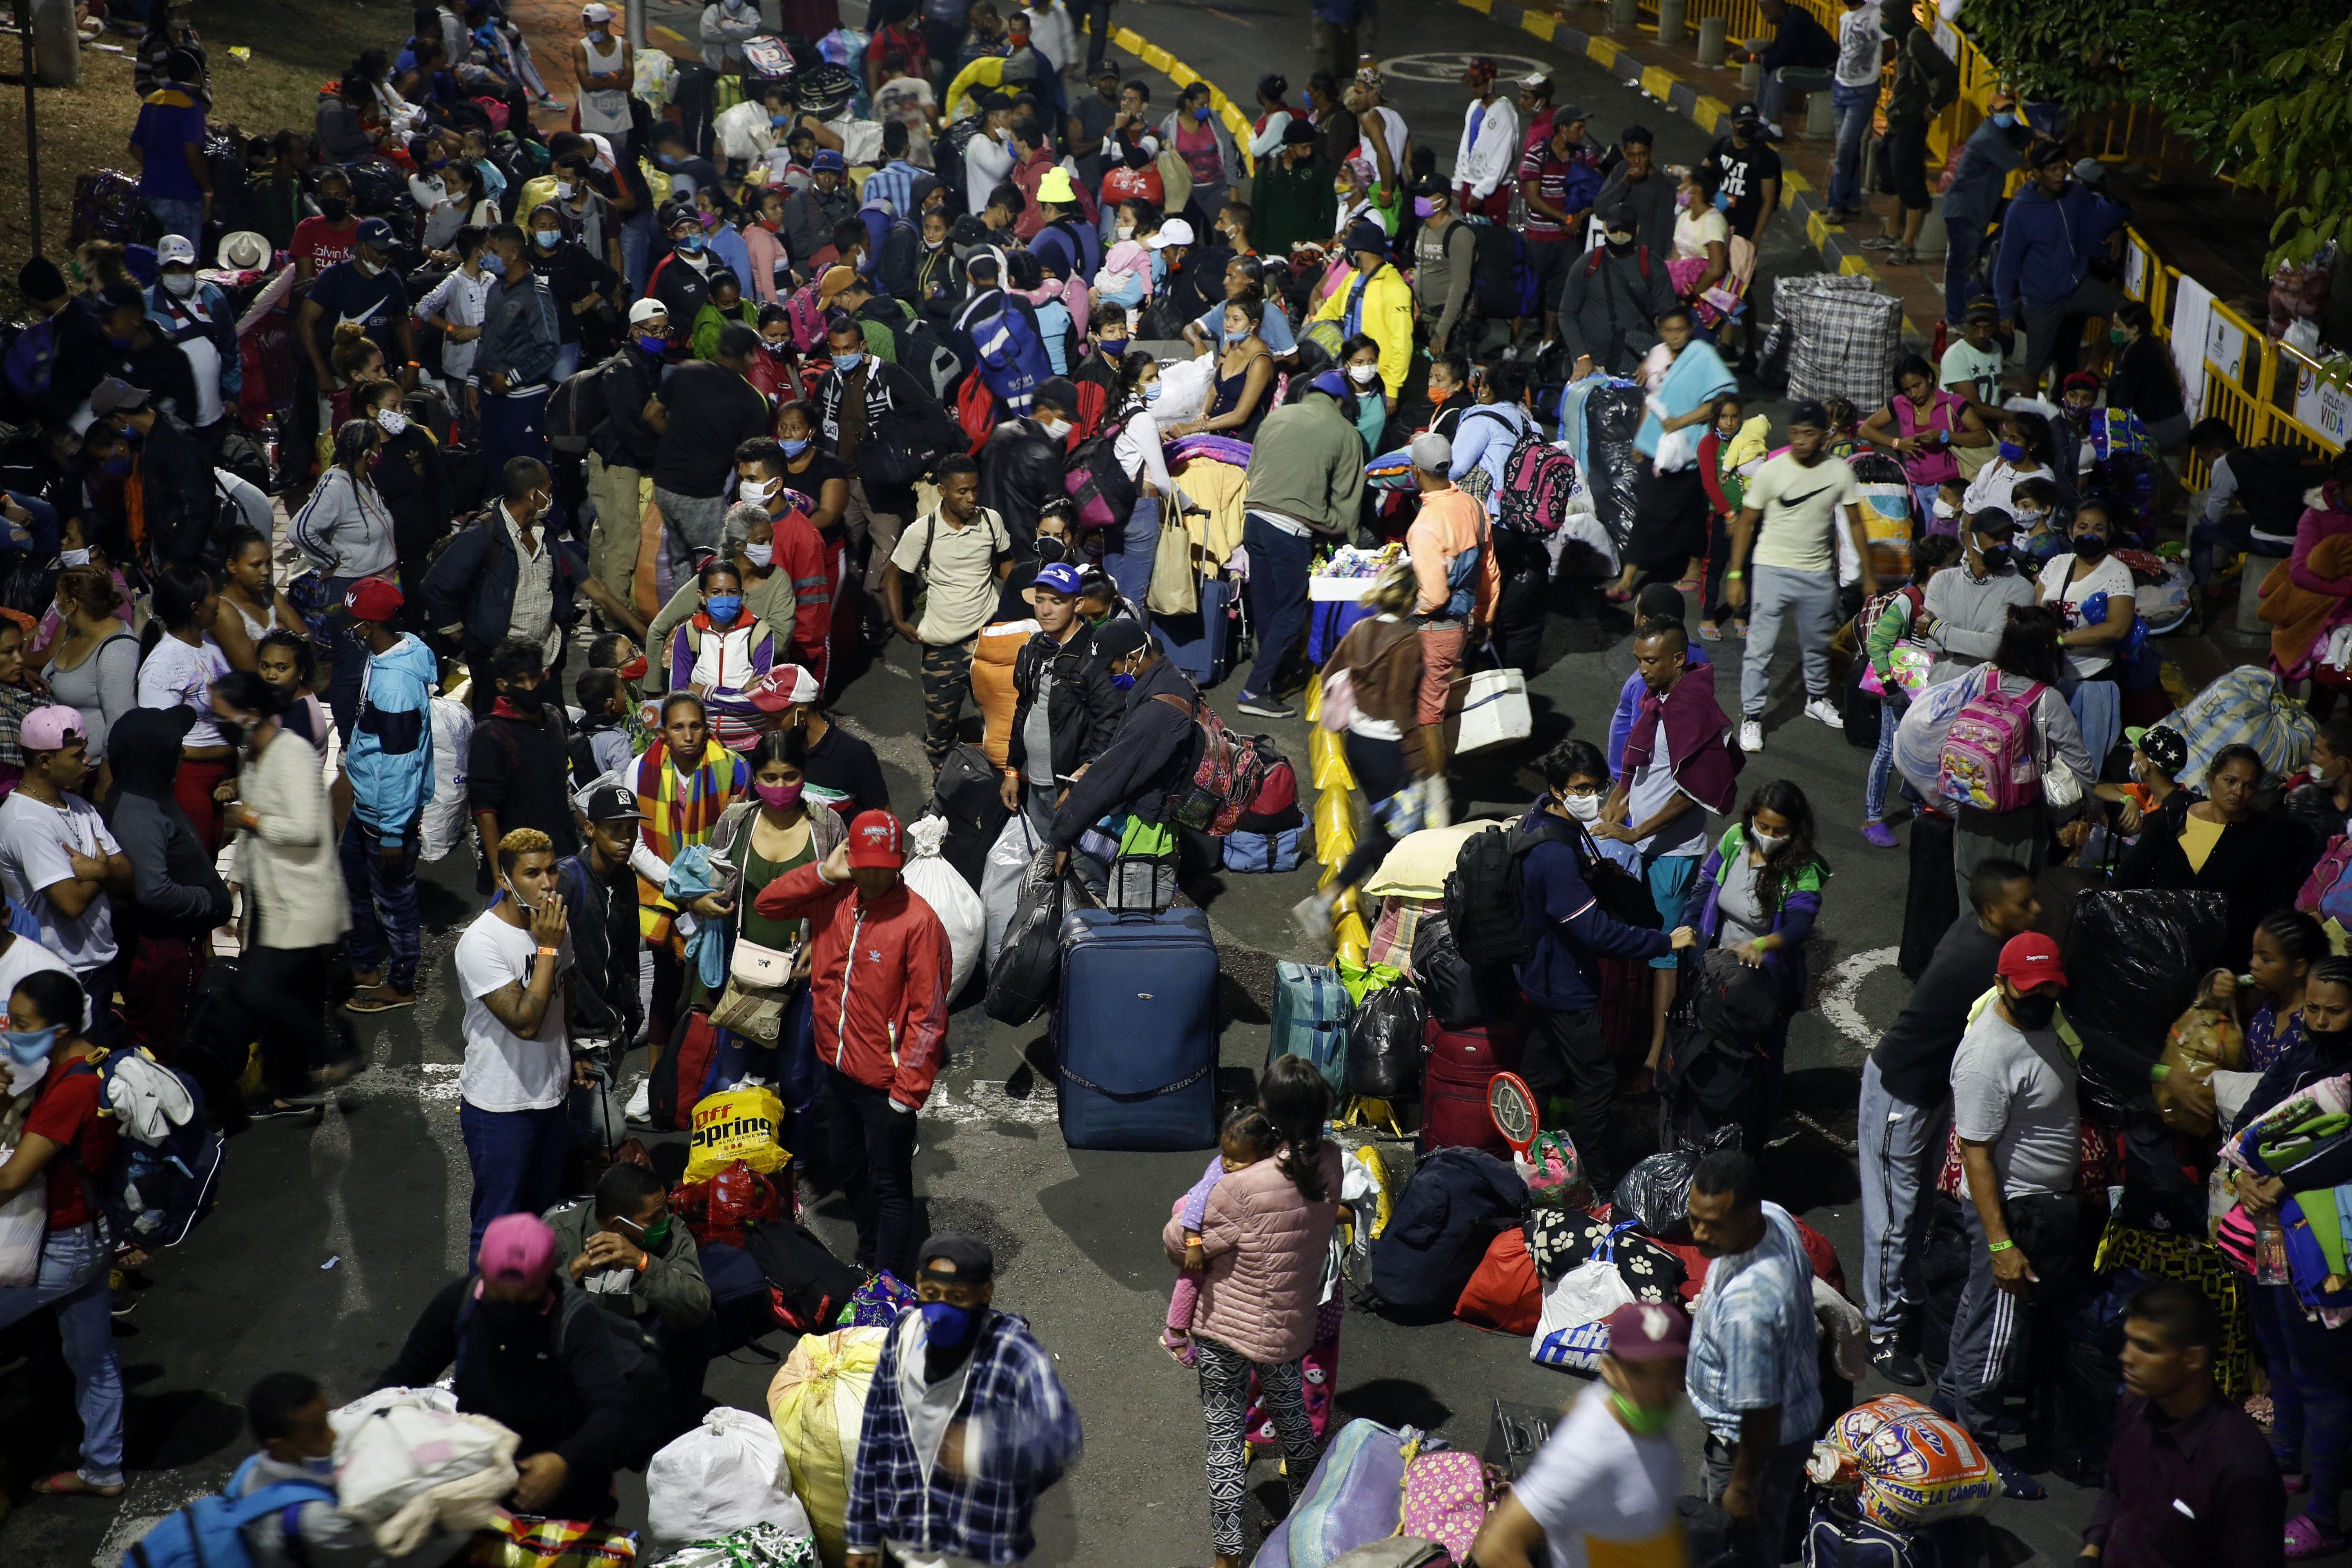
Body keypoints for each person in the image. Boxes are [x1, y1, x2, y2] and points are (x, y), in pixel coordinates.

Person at [1858, 858, 2040, 1386]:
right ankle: (1882, 1333)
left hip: (1929, 1094)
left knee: (1912, 1212)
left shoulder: (1981, 934)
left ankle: (1905, 1302)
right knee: (1893, 1219)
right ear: (1992, 909)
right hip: (1902, 1096)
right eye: (2023, 903)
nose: (2035, 909)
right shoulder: (1980, 962)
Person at [754, 814, 949, 1279]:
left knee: (891, 1185)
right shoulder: (834, 897)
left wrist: (906, 1096)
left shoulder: (920, 922)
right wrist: (823, 872)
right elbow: (767, 904)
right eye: (864, 865)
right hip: (834, 1070)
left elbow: (930, 1016)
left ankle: (887, 1280)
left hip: (885, 1087)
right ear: (850, 861)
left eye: (885, 865)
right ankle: (868, 1256)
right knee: (851, 1170)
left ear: (900, 862)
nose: (874, 875)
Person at [1167, 1054, 1342, 1568]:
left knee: (1224, 1436)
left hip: (1227, 1330)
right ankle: (1303, 1532)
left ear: (1268, 1115)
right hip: (1289, 1329)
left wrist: (1184, 1210)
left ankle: (1227, 1555)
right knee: (1296, 1428)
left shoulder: (1240, 1186)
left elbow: (1180, 1244)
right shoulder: (1329, 1159)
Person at [376, 1212, 641, 1523]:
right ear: (483, 1273)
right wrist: (358, 1427)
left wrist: (562, 1462)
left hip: (569, 1497)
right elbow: (405, 1376)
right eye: (497, 1295)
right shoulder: (460, 1302)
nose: (508, 1309)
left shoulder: (574, 1321)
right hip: (480, 1486)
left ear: (546, 1280)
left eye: (522, 1298)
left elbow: (610, 1411)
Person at [1515, 738, 1695, 1188]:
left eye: (1596, 786)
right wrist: (1664, 940)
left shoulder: (1538, 817)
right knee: (1596, 1080)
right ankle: (1593, 1177)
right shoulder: (1554, 854)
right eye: (1579, 789)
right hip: (1564, 982)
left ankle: (1527, 1162)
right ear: (1557, 790)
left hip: (1537, 972)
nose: (1590, 797)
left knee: (1538, 1073)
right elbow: (1595, 932)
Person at [844, 1232, 1083, 1568]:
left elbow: (1062, 1434)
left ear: (985, 1294)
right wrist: (862, 1535)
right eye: (931, 1294)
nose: (940, 1312)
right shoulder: (903, 1331)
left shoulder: (1012, 1353)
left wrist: (981, 1447)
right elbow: (877, 1430)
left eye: (957, 1297)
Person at [1938, 930, 2079, 1498]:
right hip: (2011, 1214)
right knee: (1993, 1336)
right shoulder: (1985, 1058)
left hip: (2040, 1209)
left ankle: (1948, 1408)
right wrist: (2001, 1244)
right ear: (2001, 984)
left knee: (1981, 1316)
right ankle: (1982, 1447)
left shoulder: (2048, 1023)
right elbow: (1975, 1152)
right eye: (2029, 989)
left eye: (2049, 988)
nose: (2041, 999)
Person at [2232, 955, 2352, 1559]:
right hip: (2271, 1233)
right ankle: (2284, 1458)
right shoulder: (2302, 1057)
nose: (2322, 1021)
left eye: (2336, 1011)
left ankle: (2326, 1516)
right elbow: (2256, 1111)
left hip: (2329, 1247)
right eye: (2313, 1008)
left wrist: (2283, 1181)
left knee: (2322, 1376)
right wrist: (2250, 1176)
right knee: (2277, 1344)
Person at [0, 969, 127, 1498]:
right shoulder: (89, 1063)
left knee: (92, 1357)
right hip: (93, 1239)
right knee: (93, 1357)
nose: (12, 1033)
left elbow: (10, 1180)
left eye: (23, 1025)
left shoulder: (67, 1092)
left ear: (57, 1030)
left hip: (62, 1247)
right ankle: (103, 1469)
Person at [1595, 623, 1743, 1072]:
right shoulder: (1658, 699)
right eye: (1639, 660)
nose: (1642, 670)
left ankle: (1659, 1052)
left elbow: (1695, 790)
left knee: (1665, 952)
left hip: (1672, 854)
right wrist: (1616, 805)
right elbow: (1639, 767)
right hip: (1640, 844)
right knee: (1638, 938)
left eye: (1651, 661)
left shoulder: (1693, 708)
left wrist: (1639, 833)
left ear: (1678, 659)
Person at [215, 670, 354, 1112]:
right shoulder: (255, 757)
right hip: (273, 902)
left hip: (301, 901)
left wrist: (251, 819)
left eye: (224, 715)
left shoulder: (291, 754)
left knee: (260, 991)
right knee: (297, 995)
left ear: (252, 715)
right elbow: (252, 831)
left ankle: (334, 1055)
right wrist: (235, 882)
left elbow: (307, 830)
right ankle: (295, 1086)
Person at [1466, 1299, 1690, 1568]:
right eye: (1641, 1372)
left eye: (1669, 1370)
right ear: (1610, 1369)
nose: (1658, 1388)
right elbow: (1499, 1547)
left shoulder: (1642, 1417)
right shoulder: (1587, 1450)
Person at [2080, 1281, 2285, 1566]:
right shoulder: (2136, 1402)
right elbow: (2116, 1488)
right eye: (2129, 1341)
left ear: (2193, 1359)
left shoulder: (2241, 1468)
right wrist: (2091, 1550)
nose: (2127, 1357)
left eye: (2147, 1348)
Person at [1684, 1149, 1822, 1567]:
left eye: (1715, 1225)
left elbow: (1761, 1413)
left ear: (1747, 1216)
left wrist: (1742, 1487)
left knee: (1739, 1548)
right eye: (1695, 1219)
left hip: (1753, 1447)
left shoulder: (1749, 1310)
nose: (1701, 1236)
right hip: (1791, 1411)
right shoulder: (1776, 1218)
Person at [1290, 565, 1437, 936]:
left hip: (1357, 744)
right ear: (1408, 599)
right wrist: (1422, 761)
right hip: (1389, 750)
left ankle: (1384, 914)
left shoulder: (1361, 629)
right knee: (1391, 832)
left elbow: (1328, 676)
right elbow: (1400, 706)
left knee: (1385, 828)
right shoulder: (1407, 641)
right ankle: (1326, 904)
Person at [1726, 400, 1878, 751]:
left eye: (1809, 434)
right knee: (1759, 649)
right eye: (1795, 433)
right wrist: (1736, 575)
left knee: (1817, 644)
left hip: (1817, 572)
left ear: (1825, 436)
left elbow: (1855, 522)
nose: (1800, 441)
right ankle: (1751, 716)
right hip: (1771, 569)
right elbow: (1747, 522)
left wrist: (1868, 574)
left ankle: (1815, 700)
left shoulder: (1839, 472)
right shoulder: (1771, 472)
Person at [1685, 779, 1829, 1139]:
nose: (1768, 836)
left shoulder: (1802, 869)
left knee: (1764, 1057)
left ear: (1794, 831)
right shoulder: (1735, 839)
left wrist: (1762, 945)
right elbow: (1706, 884)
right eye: (1763, 827)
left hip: (1766, 984)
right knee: (1715, 1045)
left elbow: (1799, 924)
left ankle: (1757, 1129)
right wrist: (1687, 930)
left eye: (1779, 831)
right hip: (1718, 970)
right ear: (1751, 819)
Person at [100, 706, 229, 1070]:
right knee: (161, 1046)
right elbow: (152, 891)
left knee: (177, 1033)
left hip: (176, 949)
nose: (184, 753)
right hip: (160, 956)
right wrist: (206, 900)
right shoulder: (137, 812)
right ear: (155, 756)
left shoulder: (152, 793)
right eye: (176, 746)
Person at [1234, 371, 1368, 721]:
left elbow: (1253, 470)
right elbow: (1347, 499)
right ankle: (1253, 691)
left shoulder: (1278, 415)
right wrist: (1347, 543)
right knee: (1293, 614)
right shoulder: (1345, 432)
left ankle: (1272, 675)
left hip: (1254, 520)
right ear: (1341, 402)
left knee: (1266, 606)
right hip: (1289, 530)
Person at [2117, 744, 2322, 969]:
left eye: (2249, 786)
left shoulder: (2269, 835)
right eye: (2230, 781)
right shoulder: (2175, 816)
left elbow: (2275, 904)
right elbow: (2130, 874)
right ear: (2210, 779)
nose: (2239, 792)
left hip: (2220, 960)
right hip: (2154, 943)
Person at [339, 579, 438, 1015]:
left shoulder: (396, 685)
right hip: (368, 809)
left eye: (352, 622)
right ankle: (364, 965)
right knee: (353, 882)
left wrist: (394, 831)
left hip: (385, 818)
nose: (349, 629)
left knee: (396, 904)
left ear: (368, 626)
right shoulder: (393, 650)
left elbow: (399, 764)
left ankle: (401, 984)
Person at [551, 1160, 710, 1427]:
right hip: (580, 1344)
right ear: (618, 1225)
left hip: (644, 1337)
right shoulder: (562, 1234)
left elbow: (698, 1304)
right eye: (654, 1217)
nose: (666, 1220)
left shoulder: (672, 1233)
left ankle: (675, 1419)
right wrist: (575, 1269)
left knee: (704, 1324)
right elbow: (523, 1303)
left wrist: (644, 1263)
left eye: (665, 1210)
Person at [886, 456, 1015, 771]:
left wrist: (1017, 608)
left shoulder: (990, 521)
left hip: (988, 641)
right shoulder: (923, 531)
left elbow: (1008, 563)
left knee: (1000, 721)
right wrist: (898, 620)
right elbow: (892, 574)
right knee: (941, 730)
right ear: (943, 491)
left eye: (975, 490)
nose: (972, 498)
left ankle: (1000, 782)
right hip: (942, 650)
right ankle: (944, 790)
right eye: (962, 492)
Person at [0, 706, 129, 989]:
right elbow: (70, 904)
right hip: (54, 973)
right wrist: (105, 867)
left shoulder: (81, 807)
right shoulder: (24, 821)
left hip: (100, 964)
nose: (88, 760)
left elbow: (127, 876)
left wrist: (97, 869)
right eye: (78, 755)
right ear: (45, 761)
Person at [1993, 143, 2127, 392]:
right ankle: (2028, 422)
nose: (2059, 175)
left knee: (2125, 311)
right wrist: (2004, 310)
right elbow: (2006, 265)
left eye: (2062, 169)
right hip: (2041, 301)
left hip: (2077, 286)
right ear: (2036, 173)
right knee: (2034, 368)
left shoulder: (2074, 193)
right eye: (2052, 169)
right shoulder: (2020, 212)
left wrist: (2117, 230)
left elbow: (2104, 212)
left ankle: (2096, 365)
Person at [1001, 561, 1122, 834]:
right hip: (1036, 783)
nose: (1045, 610)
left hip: (1072, 792)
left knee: (1085, 872)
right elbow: (1024, 709)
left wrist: (1080, 784)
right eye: (1040, 600)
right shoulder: (1033, 648)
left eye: (1057, 601)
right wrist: (1012, 770)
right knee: (1047, 867)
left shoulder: (1097, 656)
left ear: (1078, 604)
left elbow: (1109, 726)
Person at [134, 564, 235, 849]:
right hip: (188, 781)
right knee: (197, 866)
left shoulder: (211, 647)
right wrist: (224, 750)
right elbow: (161, 740)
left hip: (220, 779)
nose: (220, 602)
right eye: (214, 594)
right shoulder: (163, 664)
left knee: (212, 856)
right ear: (195, 607)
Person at [1401, 431, 1495, 738]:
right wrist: (1483, 619)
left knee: (1428, 719)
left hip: (1433, 630)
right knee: (1447, 701)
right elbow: (1489, 573)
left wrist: (1403, 611)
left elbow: (1434, 595)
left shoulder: (1425, 525)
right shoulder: (1475, 507)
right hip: (1460, 626)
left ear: (1416, 470)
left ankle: (1437, 783)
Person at [470, 636, 582, 865]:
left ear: (545, 675)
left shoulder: (555, 719)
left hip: (564, 851)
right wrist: (498, 873)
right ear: (503, 685)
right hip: (521, 860)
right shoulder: (492, 733)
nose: (530, 687)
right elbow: (485, 810)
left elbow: (562, 784)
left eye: (534, 678)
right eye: (519, 682)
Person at [1862, 2, 1954, 265]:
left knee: (1910, 179)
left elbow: (1947, 72)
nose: (1883, 22)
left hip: (1912, 121)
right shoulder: (1903, 39)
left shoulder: (1917, 40)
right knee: (1889, 171)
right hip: (1898, 120)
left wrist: (1934, 107)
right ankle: (1892, 231)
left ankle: (1908, 243)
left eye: (1885, 17)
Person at [473, 224, 563, 488]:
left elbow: (550, 348)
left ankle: (556, 528)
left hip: (523, 401)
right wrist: (472, 379)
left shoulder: (536, 294)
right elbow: (486, 335)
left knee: (531, 472)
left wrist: (511, 379)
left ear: (513, 254)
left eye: (493, 250)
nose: (486, 255)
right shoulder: (496, 289)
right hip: (490, 398)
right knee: (498, 470)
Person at [1859, 354, 1989, 526]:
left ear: (1929, 377)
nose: (1913, 394)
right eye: (1907, 389)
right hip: (1916, 488)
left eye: (1917, 386)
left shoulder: (1953, 402)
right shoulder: (1900, 403)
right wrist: (1897, 443)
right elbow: (1865, 429)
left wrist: (1944, 436)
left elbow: (1982, 437)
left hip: (1948, 490)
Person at [1557, 203, 1677, 379]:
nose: (1619, 236)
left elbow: (1668, 316)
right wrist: (1582, 357)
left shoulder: (1653, 266)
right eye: (1614, 231)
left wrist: (1652, 359)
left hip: (1638, 370)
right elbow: (1567, 314)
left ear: (1637, 230)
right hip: (1593, 366)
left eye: (1625, 231)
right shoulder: (1586, 265)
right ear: (1605, 228)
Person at [1940, 94, 2031, 327]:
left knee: (2017, 215)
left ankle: (1984, 249)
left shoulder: (2001, 132)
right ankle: (1955, 318)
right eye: (2003, 110)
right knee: (1960, 266)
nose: (2007, 114)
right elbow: (2022, 163)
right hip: (1966, 210)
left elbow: (2022, 135)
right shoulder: (1988, 137)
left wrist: (2036, 134)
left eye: (2011, 109)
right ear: (1991, 110)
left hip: (1983, 205)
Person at [1517, 110, 1604, 352]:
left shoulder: (1584, 157)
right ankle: (1513, 344)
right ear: (1563, 129)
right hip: (1539, 237)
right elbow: (1533, 199)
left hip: (1568, 238)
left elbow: (1600, 192)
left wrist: (1579, 217)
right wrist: (1566, 218)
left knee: (1560, 290)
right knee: (1530, 288)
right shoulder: (1536, 155)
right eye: (1578, 127)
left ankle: (1548, 341)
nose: (1583, 133)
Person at [1920, 507, 2037, 684]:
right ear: (1971, 538)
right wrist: (1976, 646)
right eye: (1996, 538)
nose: (2003, 546)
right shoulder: (1942, 581)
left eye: (2008, 539)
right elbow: (1931, 644)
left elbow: (1994, 648)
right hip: (1940, 690)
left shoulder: (2022, 589)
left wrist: (1936, 629)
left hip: (1990, 696)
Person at [1308, 220, 1411, 418]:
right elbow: (1330, 310)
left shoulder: (1395, 288)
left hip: (1374, 374)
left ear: (1362, 251)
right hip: (1347, 367)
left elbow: (1402, 343)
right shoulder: (1353, 277)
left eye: (1351, 249)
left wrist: (1392, 389)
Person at [41, 566, 138, 774]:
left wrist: (106, 779)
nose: (56, 601)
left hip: (92, 772)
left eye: (59, 595)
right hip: (60, 768)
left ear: (73, 604)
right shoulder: (73, 629)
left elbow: (120, 722)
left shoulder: (116, 650)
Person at [2036, 500, 2137, 681]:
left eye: (2098, 529)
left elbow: (2117, 629)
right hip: (2048, 673)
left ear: (2109, 534)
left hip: (2092, 676)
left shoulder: (2118, 572)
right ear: (2070, 531)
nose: (2089, 535)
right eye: (2083, 527)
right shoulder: (2056, 563)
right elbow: (2035, 610)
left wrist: (2062, 640)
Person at [127, 47, 212, 242]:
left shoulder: (153, 100)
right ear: (197, 76)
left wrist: (155, 168)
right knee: (182, 264)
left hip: (151, 192)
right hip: (181, 198)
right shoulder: (192, 108)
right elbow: (193, 153)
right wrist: (208, 188)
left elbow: (135, 146)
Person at [1821, 0, 1885, 224]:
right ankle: (1852, 200)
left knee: (1845, 148)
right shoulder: (1845, 17)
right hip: (1841, 86)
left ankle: (1835, 203)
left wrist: (1872, 69)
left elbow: (1890, 47)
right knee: (1848, 148)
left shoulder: (1876, 15)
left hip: (1863, 91)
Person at [1732, 0, 1837, 138]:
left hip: (1828, 73)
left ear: (1775, 8)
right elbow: (1778, 48)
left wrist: (1752, 58)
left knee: (1780, 74)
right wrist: (1757, 56)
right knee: (1767, 67)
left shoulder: (1796, 22)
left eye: (1766, 14)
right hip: (1815, 68)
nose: (1764, 18)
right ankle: (1762, 118)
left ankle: (1775, 129)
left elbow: (1782, 58)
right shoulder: (1790, 17)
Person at [2107, 300, 2191, 453]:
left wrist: (2111, 431)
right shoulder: (2134, 345)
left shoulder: (2139, 352)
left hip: (2166, 426)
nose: (2113, 330)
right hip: (2160, 423)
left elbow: (2126, 399)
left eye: (2118, 326)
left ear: (2134, 329)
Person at [1451, 56, 1518, 220]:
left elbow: (1503, 156)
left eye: (1478, 84)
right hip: (1470, 183)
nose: (1473, 88)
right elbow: (1465, 147)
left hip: (1493, 192)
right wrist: (1458, 181)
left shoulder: (1504, 113)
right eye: (1471, 83)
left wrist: (1482, 191)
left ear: (1491, 82)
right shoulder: (1474, 107)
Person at [1595, 126, 1675, 256]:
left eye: (1643, 155)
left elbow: (1664, 235)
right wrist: (1625, 183)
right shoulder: (1621, 171)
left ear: (1651, 151)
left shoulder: (1663, 187)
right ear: (1624, 153)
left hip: (1642, 261)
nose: (1637, 161)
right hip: (1615, 255)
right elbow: (1600, 210)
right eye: (1631, 155)